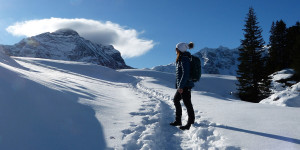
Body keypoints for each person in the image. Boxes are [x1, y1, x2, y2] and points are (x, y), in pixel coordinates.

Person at [170, 42, 195, 130]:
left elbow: (185, 73)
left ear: (179, 49)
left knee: (187, 104)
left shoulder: (184, 58)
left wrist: (181, 86)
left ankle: (190, 123)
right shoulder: (181, 58)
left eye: (176, 49)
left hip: (185, 85)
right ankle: (178, 121)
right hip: (183, 85)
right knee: (176, 100)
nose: (175, 50)